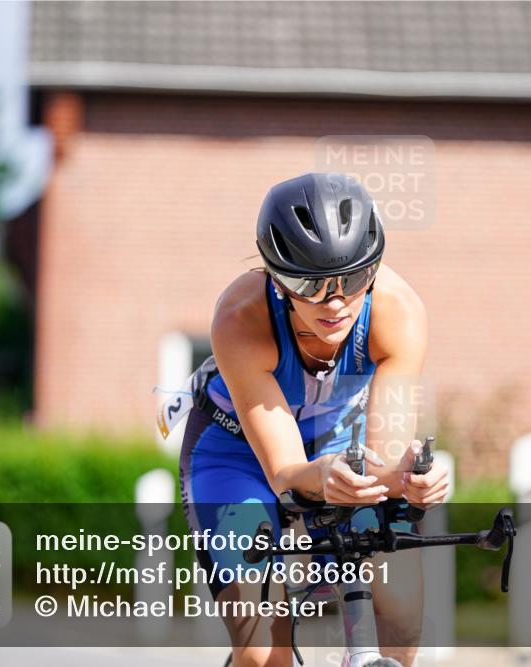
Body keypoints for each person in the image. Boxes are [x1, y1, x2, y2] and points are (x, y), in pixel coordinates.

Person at [176, 172, 450, 667]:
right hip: (235, 454)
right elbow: (284, 471)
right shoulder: (241, 317)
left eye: (352, 279)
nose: (336, 302)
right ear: (277, 278)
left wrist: (409, 476)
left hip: (335, 446)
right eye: (310, 284)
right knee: (263, 650)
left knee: (402, 611)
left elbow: (384, 464)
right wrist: (320, 476)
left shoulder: (398, 312)